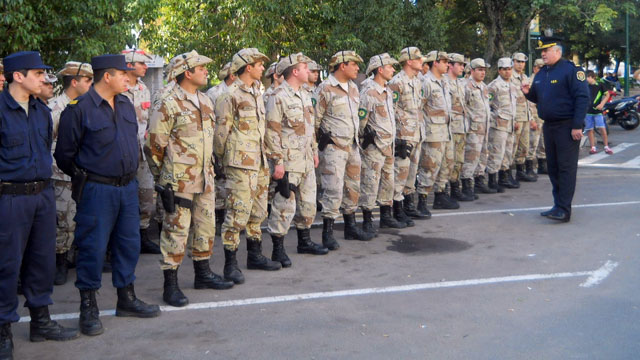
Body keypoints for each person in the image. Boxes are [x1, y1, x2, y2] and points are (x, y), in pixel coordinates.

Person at [55, 54, 160, 337]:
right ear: (107, 76)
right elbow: (64, 155)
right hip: (97, 190)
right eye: (124, 74)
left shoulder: (125, 104)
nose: (130, 79)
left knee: (128, 244)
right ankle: (87, 307)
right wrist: (86, 179)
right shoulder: (78, 109)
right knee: (92, 247)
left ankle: (126, 298)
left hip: (127, 188)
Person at [1, 51, 80, 360]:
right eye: (37, 73)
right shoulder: (2, 109)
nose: (44, 78)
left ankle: (41, 321)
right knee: (6, 265)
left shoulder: (41, 110)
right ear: (17, 76)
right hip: (9, 197)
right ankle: (3, 329)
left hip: (42, 195)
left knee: (42, 261)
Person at [214, 48, 282, 285]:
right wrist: (223, 160)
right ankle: (230, 264)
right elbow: (221, 133)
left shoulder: (256, 93)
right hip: (240, 164)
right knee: (236, 213)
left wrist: (274, 157)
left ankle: (255, 255)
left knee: (258, 211)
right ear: (247, 67)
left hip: (259, 162)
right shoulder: (230, 95)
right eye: (259, 64)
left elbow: (264, 131)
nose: (263, 68)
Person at [265, 53, 328, 268]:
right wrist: (277, 161)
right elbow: (272, 131)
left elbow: (309, 128)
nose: (308, 69)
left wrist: (315, 151)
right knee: (284, 206)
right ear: (294, 71)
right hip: (289, 161)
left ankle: (305, 241)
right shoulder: (278, 95)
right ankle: (278, 249)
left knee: (308, 203)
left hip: (307, 159)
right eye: (304, 66)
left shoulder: (304, 94)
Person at [522, 36, 590, 222]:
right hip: (549, 126)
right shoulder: (543, 73)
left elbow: (582, 98)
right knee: (553, 167)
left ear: (558, 51)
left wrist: (577, 125)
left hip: (567, 126)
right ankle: (557, 204)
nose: (543, 54)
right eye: (542, 51)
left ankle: (564, 209)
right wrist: (528, 94)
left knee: (566, 168)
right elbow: (539, 98)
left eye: (547, 50)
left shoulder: (571, 70)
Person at [313, 50, 374, 248]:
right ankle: (327, 232)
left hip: (352, 146)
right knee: (333, 189)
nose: (357, 68)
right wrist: (316, 148)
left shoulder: (354, 89)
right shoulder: (325, 88)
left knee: (352, 188)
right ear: (342, 65)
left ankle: (350, 227)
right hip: (333, 149)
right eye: (354, 64)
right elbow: (314, 121)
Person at [49, 61, 94, 285]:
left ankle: (76, 256)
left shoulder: (88, 105)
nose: (91, 84)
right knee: (63, 220)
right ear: (74, 82)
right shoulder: (55, 108)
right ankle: (60, 263)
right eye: (88, 80)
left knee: (80, 218)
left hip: (84, 173)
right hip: (61, 175)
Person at [358, 53, 406, 232]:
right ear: (380, 69)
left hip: (388, 145)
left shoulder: (388, 90)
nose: (393, 69)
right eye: (390, 66)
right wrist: (364, 138)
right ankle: (367, 219)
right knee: (370, 182)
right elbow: (361, 120)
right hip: (374, 146)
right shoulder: (369, 91)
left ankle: (386, 216)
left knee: (388, 182)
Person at [121, 49, 161, 255]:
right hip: (123, 153)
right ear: (129, 65)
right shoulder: (118, 88)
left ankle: (143, 236)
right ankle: (120, 244)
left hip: (142, 152)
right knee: (123, 199)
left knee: (146, 197)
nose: (146, 66)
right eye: (142, 63)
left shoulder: (144, 88)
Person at [387, 46, 426, 225]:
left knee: (411, 173)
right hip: (403, 136)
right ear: (409, 61)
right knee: (400, 173)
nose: (422, 62)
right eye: (418, 59)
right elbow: (391, 111)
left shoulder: (417, 80)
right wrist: (396, 137)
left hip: (416, 133)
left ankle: (409, 205)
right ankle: (397, 208)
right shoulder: (397, 82)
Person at [418, 50, 459, 210]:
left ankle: (441, 195)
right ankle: (422, 200)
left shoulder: (444, 81)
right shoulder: (425, 82)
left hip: (446, 131)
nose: (447, 64)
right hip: (433, 133)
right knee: (429, 167)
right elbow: (419, 108)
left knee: (447, 164)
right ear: (435, 62)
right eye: (444, 61)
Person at [206, 61, 234, 236]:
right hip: (217, 142)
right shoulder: (214, 93)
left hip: (235, 145)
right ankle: (218, 217)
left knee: (230, 183)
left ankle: (228, 217)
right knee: (218, 181)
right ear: (232, 75)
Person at [461, 58, 494, 198]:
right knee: (471, 157)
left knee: (483, 155)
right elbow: (463, 108)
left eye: (484, 70)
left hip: (484, 127)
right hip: (473, 129)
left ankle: (479, 181)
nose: (483, 73)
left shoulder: (484, 86)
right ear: (472, 70)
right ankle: (466, 185)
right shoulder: (466, 86)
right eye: (480, 70)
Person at [486, 57, 519, 193]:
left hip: (510, 124)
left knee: (508, 152)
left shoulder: (512, 85)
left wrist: (515, 120)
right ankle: (492, 180)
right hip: (499, 125)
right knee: (496, 152)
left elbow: (513, 105)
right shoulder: (494, 86)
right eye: (504, 69)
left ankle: (504, 177)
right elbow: (486, 105)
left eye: (509, 69)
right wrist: (495, 117)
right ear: (499, 70)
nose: (507, 72)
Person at [445, 53, 473, 201]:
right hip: (450, 128)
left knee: (459, 160)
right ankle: (445, 190)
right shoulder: (444, 82)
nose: (463, 67)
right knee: (449, 161)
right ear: (450, 65)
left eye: (463, 65)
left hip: (461, 127)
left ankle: (455, 188)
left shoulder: (461, 84)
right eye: (460, 64)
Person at [511, 52, 537, 183]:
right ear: (513, 62)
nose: (520, 64)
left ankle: (520, 172)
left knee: (524, 146)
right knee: (512, 146)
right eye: (518, 61)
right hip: (516, 118)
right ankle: (508, 174)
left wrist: (531, 117)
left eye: (522, 62)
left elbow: (528, 100)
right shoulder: (509, 77)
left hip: (526, 116)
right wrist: (513, 119)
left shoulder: (525, 77)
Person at [585, 70, 612, 154]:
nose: (586, 80)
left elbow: (607, 95)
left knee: (602, 129)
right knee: (590, 130)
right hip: (588, 112)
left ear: (591, 77)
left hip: (597, 112)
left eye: (587, 78)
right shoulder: (586, 86)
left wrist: (602, 104)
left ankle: (606, 146)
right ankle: (593, 147)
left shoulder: (600, 85)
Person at [528, 58, 547, 175]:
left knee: (543, 143)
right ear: (535, 68)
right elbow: (528, 102)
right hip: (534, 116)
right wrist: (531, 119)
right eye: (539, 67)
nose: (541, 70)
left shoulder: (545, 81)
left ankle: (542, 165)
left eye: (543, 67)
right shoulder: (530, 82)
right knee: (532, 143)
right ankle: (529, 167)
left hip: (544, 116)